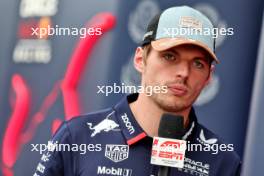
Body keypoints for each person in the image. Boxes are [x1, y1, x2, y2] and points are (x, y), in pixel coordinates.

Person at [33, 5, 241, 176]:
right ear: (140, 60)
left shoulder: (222, 161)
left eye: (197, 63)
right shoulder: (78, 137)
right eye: (170, 56)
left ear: (209, 77)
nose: (183, 73)